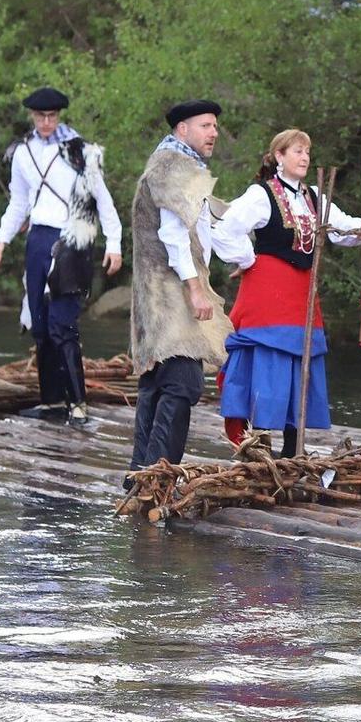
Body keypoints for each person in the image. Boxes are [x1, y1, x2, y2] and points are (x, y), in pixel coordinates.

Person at [212, 129, 361, 458]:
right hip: (267, 289)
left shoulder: (314, 195)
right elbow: (224, 228)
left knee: (300, 363)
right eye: (297, 151)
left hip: (302, 291)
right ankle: (255, 447)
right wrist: (247, 259)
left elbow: (339, 226)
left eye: (307, 152)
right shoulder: (261, 194)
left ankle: (292, 451)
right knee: (264, 361)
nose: (304, 158)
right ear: (279, 157)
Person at [0, 87, 122, 423]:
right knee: (39, 323)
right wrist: (3, 238)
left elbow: (102, 199)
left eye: (52, 116)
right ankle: (50, 401)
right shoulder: (22, 152)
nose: (47, 122)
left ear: (59, 115)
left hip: (73, 240)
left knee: (62, 324)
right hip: (38, 237)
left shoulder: (81, 151)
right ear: (33, 117)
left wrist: (114, 243)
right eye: (41, 116)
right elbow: (18, 201)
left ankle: (78, 404)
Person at [129, 100, 233, 473]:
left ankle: (140, 474)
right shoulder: (173, 166)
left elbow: (206, 225)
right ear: (182, 129)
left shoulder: (174, 163)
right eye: (206, 125)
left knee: (157, 381)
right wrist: (194, 288)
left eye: (215, 126)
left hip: (157, 290)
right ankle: (158, 474)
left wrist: (244, 259)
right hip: (169, 289)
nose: (214, 132)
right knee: (183, 383)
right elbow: (173, 235)